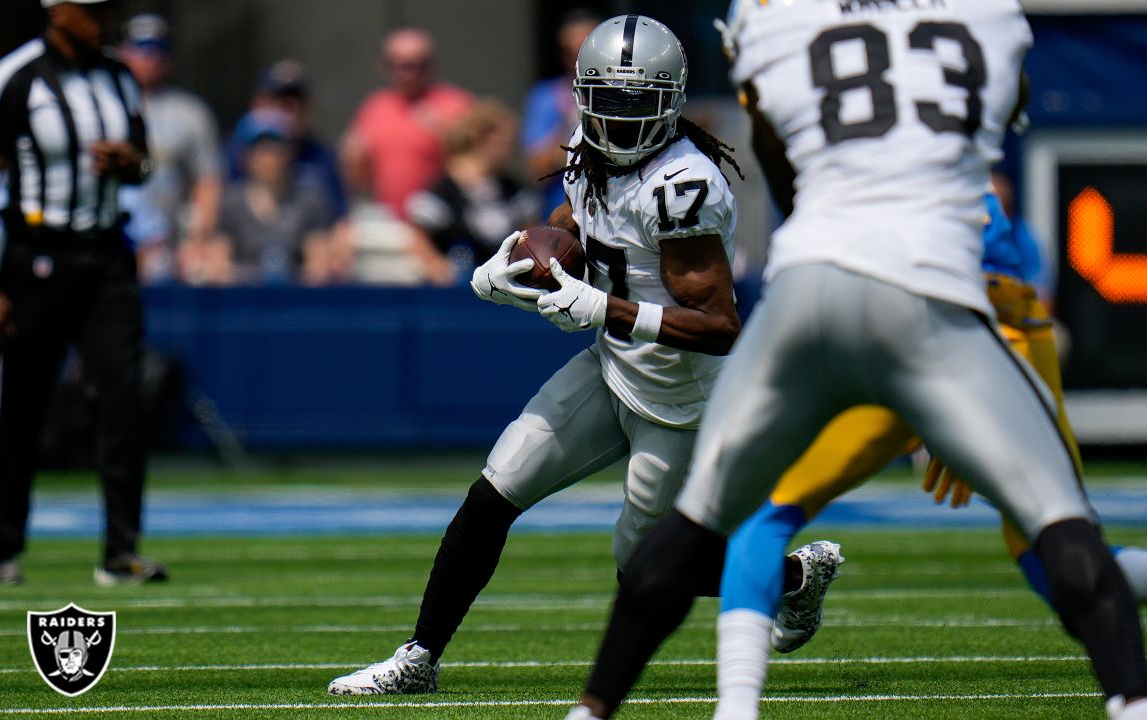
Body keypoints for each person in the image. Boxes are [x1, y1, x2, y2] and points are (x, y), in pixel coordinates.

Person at [565, 2, 1147, 719]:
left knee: (699, 519)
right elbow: (1008, 103)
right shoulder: (984, 17)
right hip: (930, 291)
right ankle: (1138, 706)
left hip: (813, 280)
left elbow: (773, 144)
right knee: (1058, 515)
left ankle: (598, 710)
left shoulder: (778, 16)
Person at [326, 15, 839, 697]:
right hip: (610, 365)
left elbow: (720, 325)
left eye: (637, 107)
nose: (621, 123)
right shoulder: (586, 148)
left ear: (671, 102)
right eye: (609, 105)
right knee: (496, 490)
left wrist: (604, 309)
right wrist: (516, 255)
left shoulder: (683, 185)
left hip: (680, 398)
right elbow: (573, 221)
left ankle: (793, 578)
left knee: (642, 567)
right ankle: (419, 657)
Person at [712, 187, 1147, 718]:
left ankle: (735, 709)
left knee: (768, 511)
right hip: (1008, 330)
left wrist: (948, 404)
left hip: (924, 327)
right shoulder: (953, 153)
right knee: (1052, 545)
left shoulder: (857, 158)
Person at [0, 0, 166, 586]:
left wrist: (130, 162)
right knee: (20, 404)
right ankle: (0, 546)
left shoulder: (117, 75)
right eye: (91, 8)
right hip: (34, 254)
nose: (103, 17)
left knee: (122, 398)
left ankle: (120, 550)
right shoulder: (16, 78)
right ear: (58, 11)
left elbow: (144, 163)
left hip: (107, 254)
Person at [116, 13, 223, 284]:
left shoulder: (189, 112)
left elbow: (208, 181)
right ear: (122, 52)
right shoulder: (105, 104)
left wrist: (197, 239)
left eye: (158, 49)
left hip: (170, 248)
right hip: (113, 240)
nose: (149, 57)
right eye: (140, 48)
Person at [342, 28, 473, 222]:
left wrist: (445, 135)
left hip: (445, 223)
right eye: (400, 65)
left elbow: (478, 169)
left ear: (432, 64)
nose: (409, 74)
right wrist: (353, 160)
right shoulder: (375, 107)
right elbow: (356, 177)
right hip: (391, 223)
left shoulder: (456, 105)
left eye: (418, 65)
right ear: (384, 66)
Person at [407, 99, 543, 284]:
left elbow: (531, 233)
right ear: (481, 140)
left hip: (502, 289)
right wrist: (438, 269)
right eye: (505, 143)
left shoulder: (514, 191)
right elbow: (419, 236)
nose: (511, 152)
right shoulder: (445, 191)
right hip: (456, 292)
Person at [209, 113, 335, 285]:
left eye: (276, 148)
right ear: (246, 156)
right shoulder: (231, 202)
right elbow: (219, 262)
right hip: (244, 300)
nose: (268, 158)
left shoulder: (309, 201)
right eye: (260, 149)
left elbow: (319, 264)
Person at [226, 60, 346, 224]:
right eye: (279, 99)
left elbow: (339, 218)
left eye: (296, 100)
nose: (288, 108)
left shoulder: (324, 157)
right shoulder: (235, 151)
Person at [522, 10, 599, 219]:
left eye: (585, 49)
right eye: (569, 51)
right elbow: (537, 171)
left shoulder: (624, 93)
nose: (577, 59)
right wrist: (572, 125)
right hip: (563, 216)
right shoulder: (545, 97)